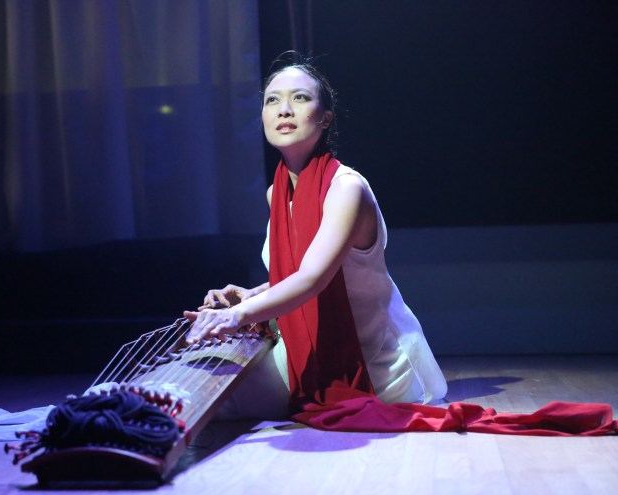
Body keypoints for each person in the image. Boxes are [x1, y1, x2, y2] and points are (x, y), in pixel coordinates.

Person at [183, 52, 447, 420]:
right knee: (198, 375)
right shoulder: (277, 193)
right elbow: (295, 272)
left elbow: (312, 279)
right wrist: (253, 294)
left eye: (300, 98)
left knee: (211, 396)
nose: (284, 110)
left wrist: (239, 316)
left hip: (369, 360)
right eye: (272, 100)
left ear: (326, 118)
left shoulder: (346, 188)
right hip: (305, 344)